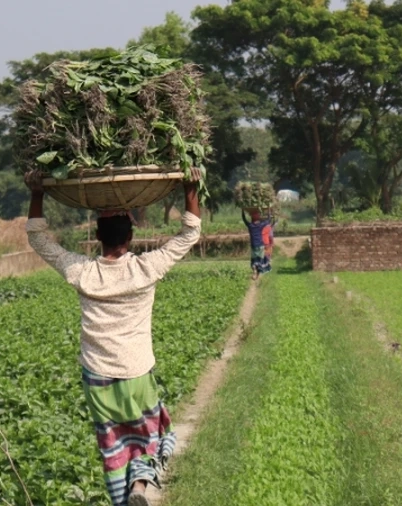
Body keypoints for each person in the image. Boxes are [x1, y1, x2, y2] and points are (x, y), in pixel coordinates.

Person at [23, 169, 203, 506]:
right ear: (130, 236)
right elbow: (190, 232)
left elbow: (37, 238)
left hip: (99, 377)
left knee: (113, 443)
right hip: (137, 371)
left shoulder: (82, 271)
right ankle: (139, 487)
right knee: (148, 435)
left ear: (98, 235)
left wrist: (38, 192)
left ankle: (123, 497)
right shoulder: (146, 268)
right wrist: (190, 187)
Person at [241, 208, 273, 279]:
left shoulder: (250, 225)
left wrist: (242, 211)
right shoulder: (261, 225)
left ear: (252, 218)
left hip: (253, 245)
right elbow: (269, 220)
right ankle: (256, 273)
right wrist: (269, 211)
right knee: (260, 260)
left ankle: (255, 272)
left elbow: (244, 219)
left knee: (254, 260)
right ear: (258, 218)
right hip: (260, 245)